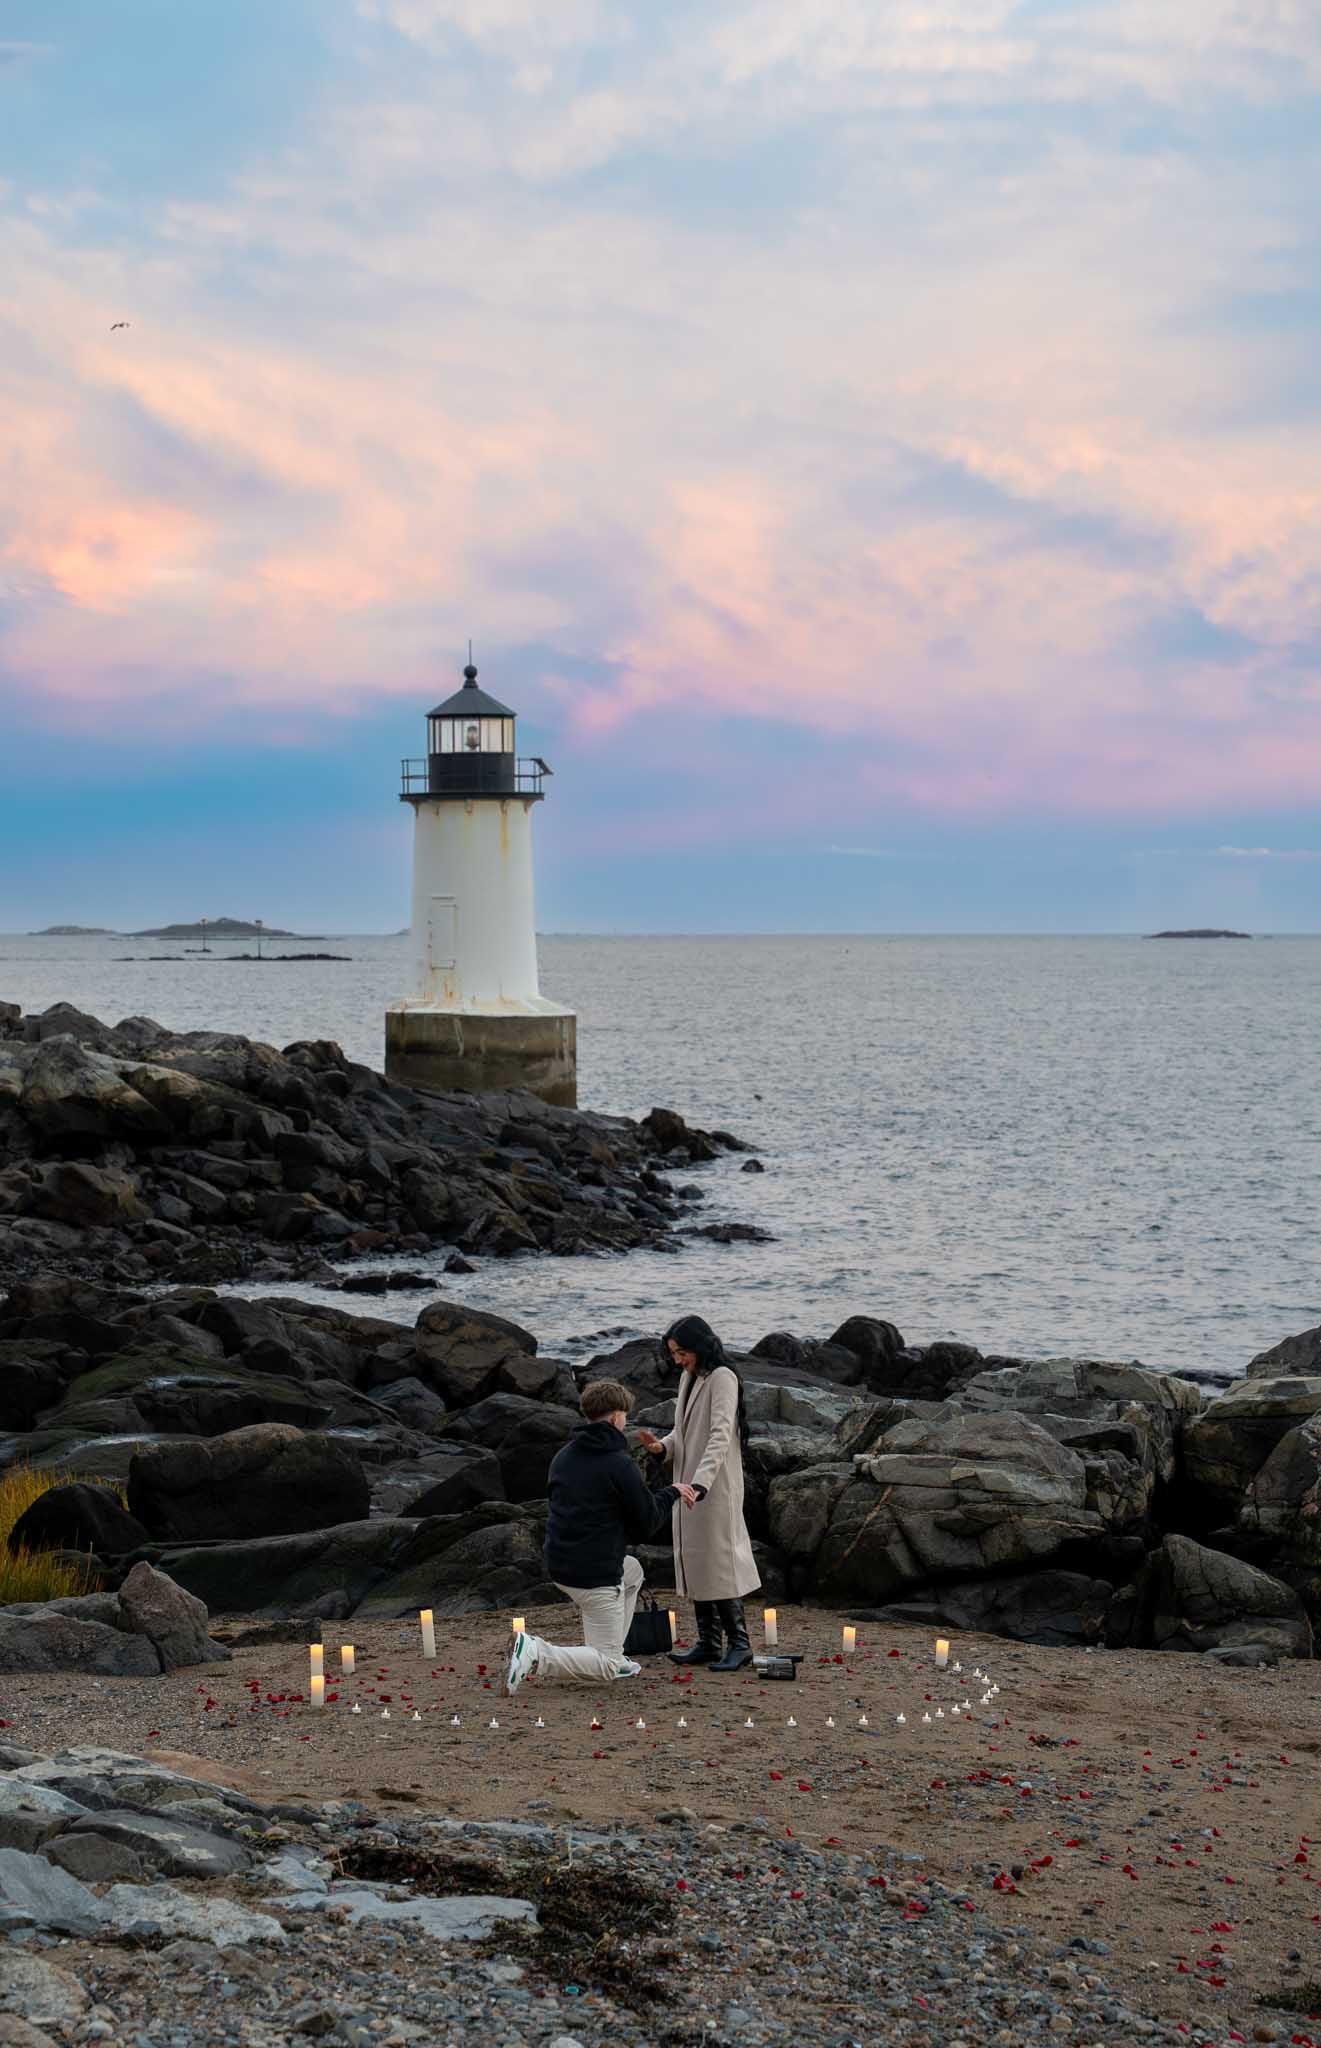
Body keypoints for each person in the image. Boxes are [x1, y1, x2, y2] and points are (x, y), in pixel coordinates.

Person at [506, 1378, 697, 1692]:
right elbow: (647, 1522)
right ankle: (535, 1653)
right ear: (615, 1418)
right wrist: (672, 1492)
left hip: (560, 1563)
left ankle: (615, 1655)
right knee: (605, 1667)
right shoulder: (620, 1464)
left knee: (632, 1570)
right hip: (594, 1574)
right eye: (624, 1415)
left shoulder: (563, 1458)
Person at [637, 1313, 759, 1672]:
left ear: (698, 1346)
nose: (677, 1360)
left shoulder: (723, 1378)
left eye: (681, 1352)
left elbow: (720, 1434)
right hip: (687, 1485)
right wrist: (662, 1447)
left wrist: (701, 1483)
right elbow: (685, 1431)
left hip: (712, 1486)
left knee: (719, 1561)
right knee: (697, 1560)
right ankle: (708, 1642)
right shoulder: (689, 1377)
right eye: (674, 1354)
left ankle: (740, 1644)